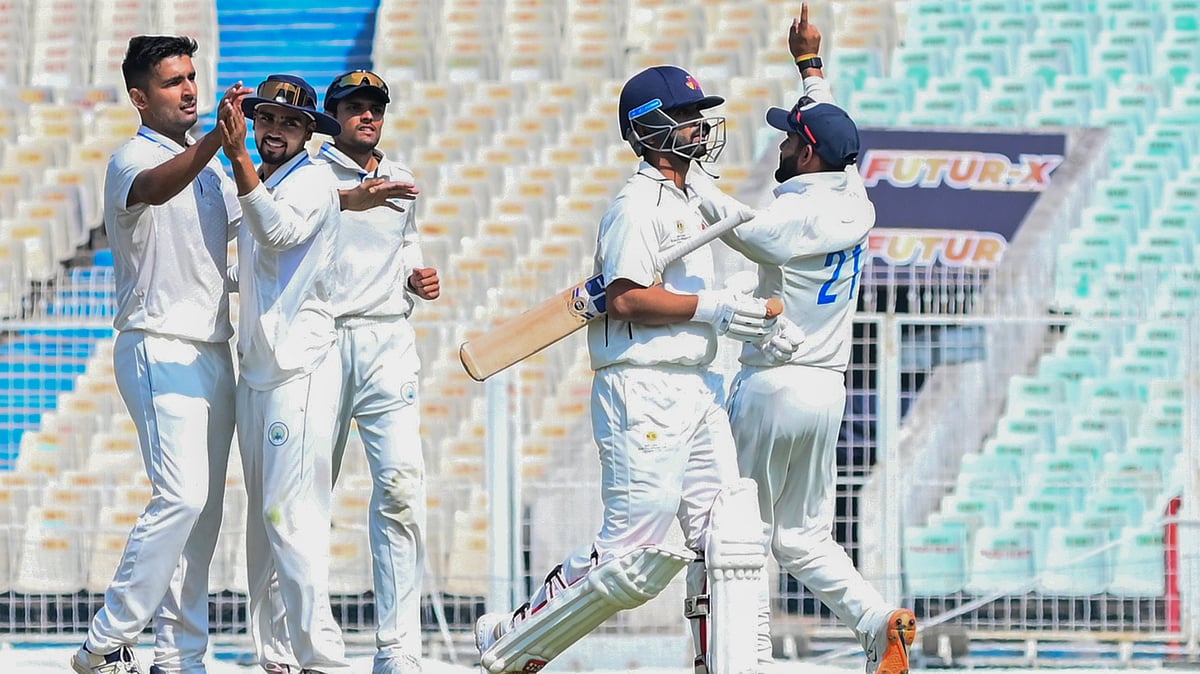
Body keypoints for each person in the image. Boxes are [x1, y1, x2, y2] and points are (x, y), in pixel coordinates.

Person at [474, 65, 776, 674]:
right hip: (643, 385)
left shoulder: (689, 198)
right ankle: (511, 637)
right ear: (647, 127)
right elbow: (627, 298)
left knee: (729, 536)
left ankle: (734, 664)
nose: (698, 126)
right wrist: (717, 308)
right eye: (684, 116)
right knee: (632, 556)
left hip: (697, 385)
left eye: (699, 116)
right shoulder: (635, 207)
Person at [698, 6, 918, 674]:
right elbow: (828, 127)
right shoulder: (853, 193)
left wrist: (678, 167)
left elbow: (737, 225)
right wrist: (809, 65)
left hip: (772, 385)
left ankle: (746, 659)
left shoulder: (793, 217)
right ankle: (877, 623)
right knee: (800, 537)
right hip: (827, 390)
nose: (782, 147)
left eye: (790, 141)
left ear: (809, 155)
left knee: (733, 533)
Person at [72, 35, 252, 674]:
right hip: (157, 342)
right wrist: (217, 143)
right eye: (173, 81)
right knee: (180, 496)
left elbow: (259, 231)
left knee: (202, 517)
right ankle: (106, 638)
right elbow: (153, 188)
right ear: (139, 98)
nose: (189, 90)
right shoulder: (131, 159)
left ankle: (179, 659)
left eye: (192, 77)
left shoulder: (214, 168)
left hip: (214, 347)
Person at [319, 69, 439, 674]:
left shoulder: (403, 177)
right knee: (308, 492)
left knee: (400, 487)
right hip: (323, 340)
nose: (367, 116)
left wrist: (417, 276)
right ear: (333, 115)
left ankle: (398, 648)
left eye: (375, 107)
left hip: (389, 340)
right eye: (354, 107)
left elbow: (405, 243)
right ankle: (300, 641)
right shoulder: (311, 175)